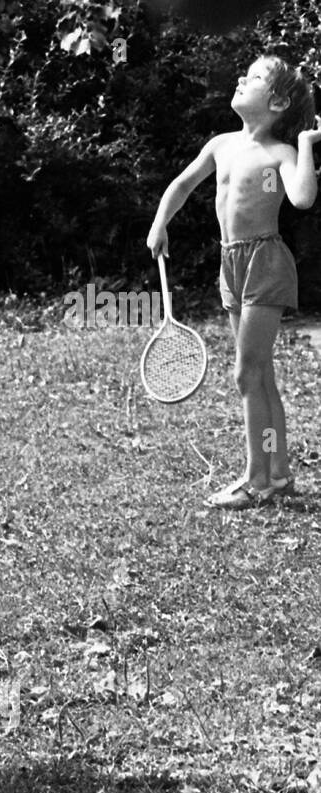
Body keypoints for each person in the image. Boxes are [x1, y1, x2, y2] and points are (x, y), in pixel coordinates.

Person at [148, 55, 320, 509]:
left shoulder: (280, 154)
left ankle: (256, 480)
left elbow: (302, 198)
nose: (243, 78)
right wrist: (160, 223)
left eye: (257, 77)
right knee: (261, 376)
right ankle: (278, 473)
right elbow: (182, 185)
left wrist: (305, 143)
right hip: (232, 263)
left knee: (247, 373)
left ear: (279, 102)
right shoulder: (221, 144)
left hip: (265, 260)